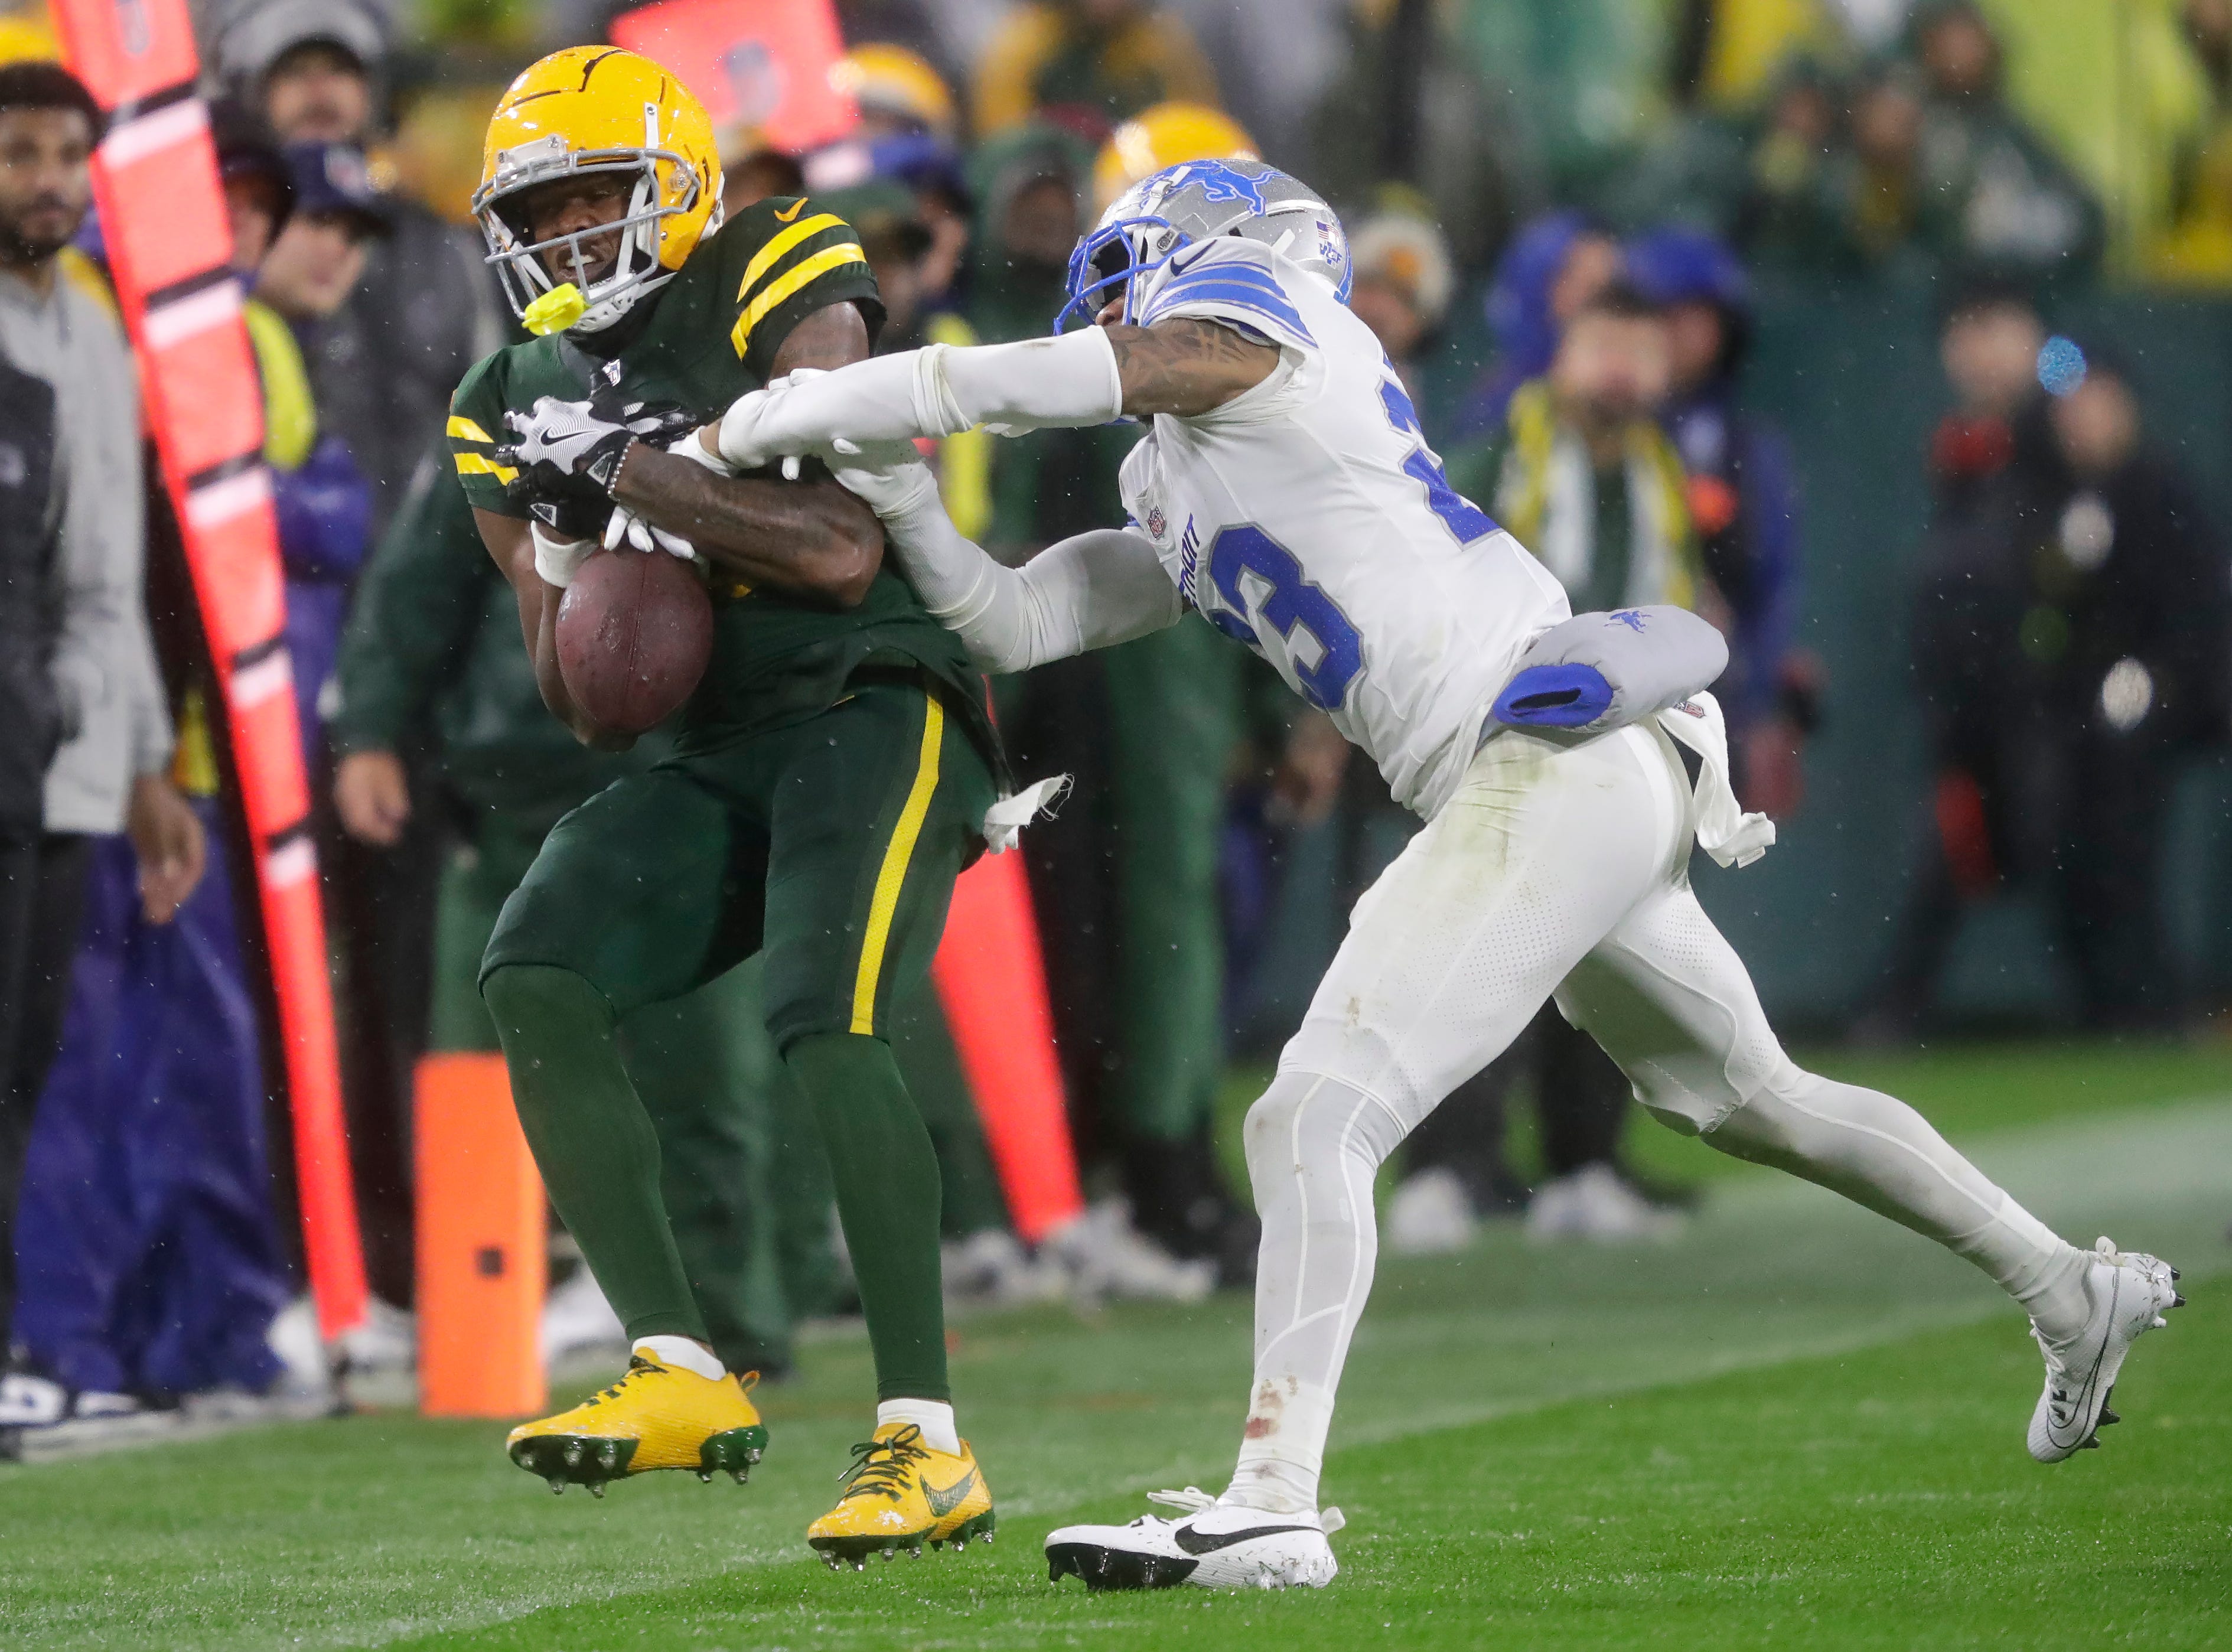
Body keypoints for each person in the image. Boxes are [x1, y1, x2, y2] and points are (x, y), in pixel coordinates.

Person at [705, 155, 2187, 1591]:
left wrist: (806, 400)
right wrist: (895, 491)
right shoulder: (1182, 476)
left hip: (1539, 753)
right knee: (1754, 1099)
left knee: (1309, 1114)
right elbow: (1012, 618)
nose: (1115, 310)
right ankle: (2069, 1287)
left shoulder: (1282, 348)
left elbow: (1048, 380)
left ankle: (1271, 1504)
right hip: (1573, 770)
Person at [453, 48, 1003, 1565]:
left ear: (678, 186)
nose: (566, 238)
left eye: (593, 200)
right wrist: (569, 544)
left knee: (827, 1016)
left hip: (870, 693)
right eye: (539, 211)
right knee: (538, 962)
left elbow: (833, 548)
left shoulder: (775, 261)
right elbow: (584, 700)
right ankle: (680, 1365)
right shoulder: (504, 395)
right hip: (713, 741)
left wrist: (639, 467)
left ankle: (925, 1438)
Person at [331, 451, 820, 1377]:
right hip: (516, 796)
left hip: (679, 795)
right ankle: (478, 1330)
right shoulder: (512, 408)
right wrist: (369, 729)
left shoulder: (744, 408)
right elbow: (420, 586)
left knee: (703, 1073)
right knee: (480, 1080)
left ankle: (727, 1323)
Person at [0, 61, 204, 1440]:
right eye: (21, 154)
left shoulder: (89, 330)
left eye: (69, 154)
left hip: (56, 758)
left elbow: (106, 578)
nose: (52, 180)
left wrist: (141, 760)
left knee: (21, 1072)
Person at [1625, 224, 1817, 819]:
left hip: (1706, 710)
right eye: (1667, 315)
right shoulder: (1597, 424)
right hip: (1602, 698)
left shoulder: (1745, 448)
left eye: (1699, 318)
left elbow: (1772, 584)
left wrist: (1761, 709)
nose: (1684, 334)